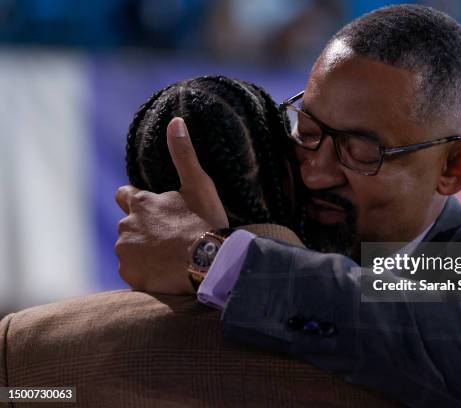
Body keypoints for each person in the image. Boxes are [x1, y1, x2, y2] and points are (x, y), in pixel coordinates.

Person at [116, 5, 461, 407]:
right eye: (307, 130)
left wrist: (214, 259)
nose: (315, 174)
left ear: (454, 166)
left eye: (360, 152)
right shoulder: (277, 214)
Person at [1, 76, 403, 406]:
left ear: (143, 195)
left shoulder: (26, 346)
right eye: (309, 139)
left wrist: (208, 251)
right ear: (285, 179)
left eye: (364, 153)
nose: (317, 174)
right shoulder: (392, 351)